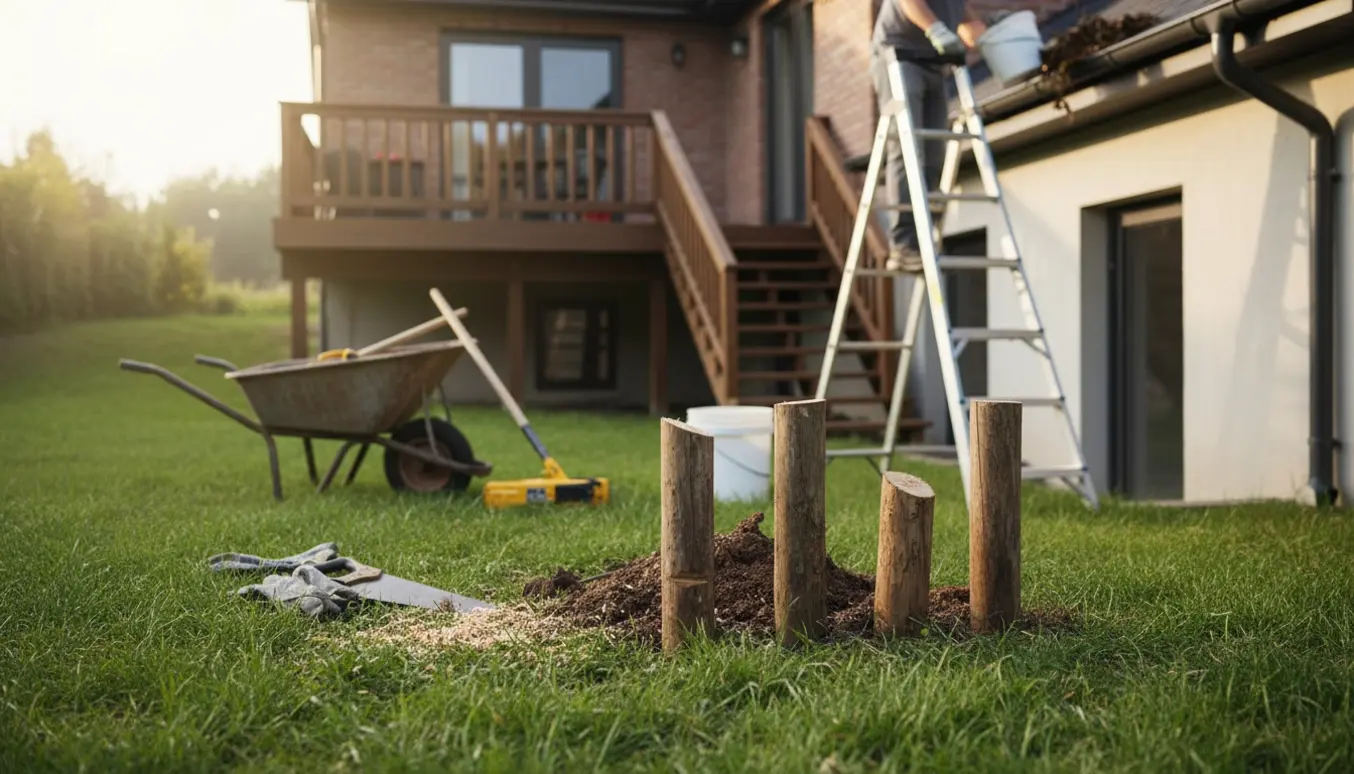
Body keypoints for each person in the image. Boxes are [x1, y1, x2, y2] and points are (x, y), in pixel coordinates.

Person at [871, 0, 986, 271]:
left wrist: (988, 35)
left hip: (933, 62)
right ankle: (903, 244)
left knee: (935, 149)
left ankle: (923, 232)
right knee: (907, 145)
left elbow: (964, 17)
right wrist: (935, 29)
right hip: (898, 56)